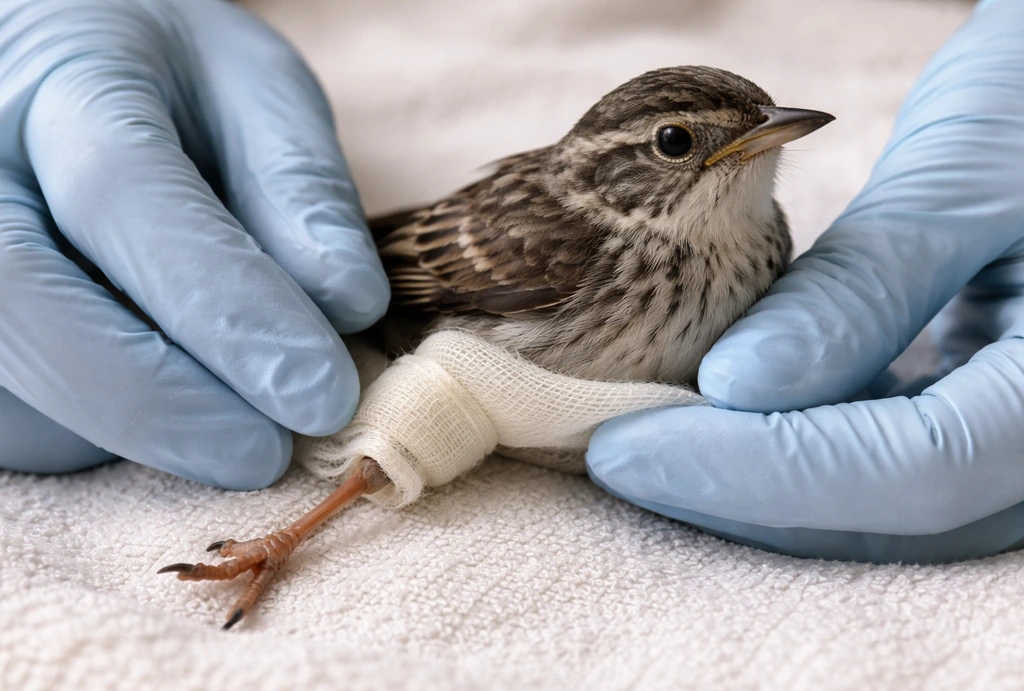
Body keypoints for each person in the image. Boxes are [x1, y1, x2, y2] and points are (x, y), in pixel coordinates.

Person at [1, 0, 1021, 564]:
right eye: (679, 146)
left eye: (752, 136)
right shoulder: (562, 244)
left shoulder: (762, 237)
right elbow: (410, 286)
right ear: (615, 173)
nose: (757, 151)